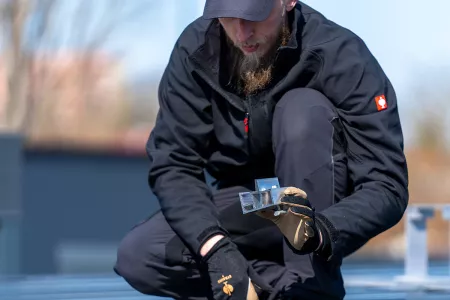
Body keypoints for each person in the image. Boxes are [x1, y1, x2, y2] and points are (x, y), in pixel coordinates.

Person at [114, 0, 409, 299]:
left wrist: (321, 230)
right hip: (256, 202)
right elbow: (174, 165)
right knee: (140, 255)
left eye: (254, 16)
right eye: (228, 17)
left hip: (319, 207)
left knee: (301, 111)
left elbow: (386, 185)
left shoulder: (341, 55)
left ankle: (308, 285)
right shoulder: (197, 51)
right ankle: (270, 287)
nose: (242, 33)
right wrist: (216, 250)